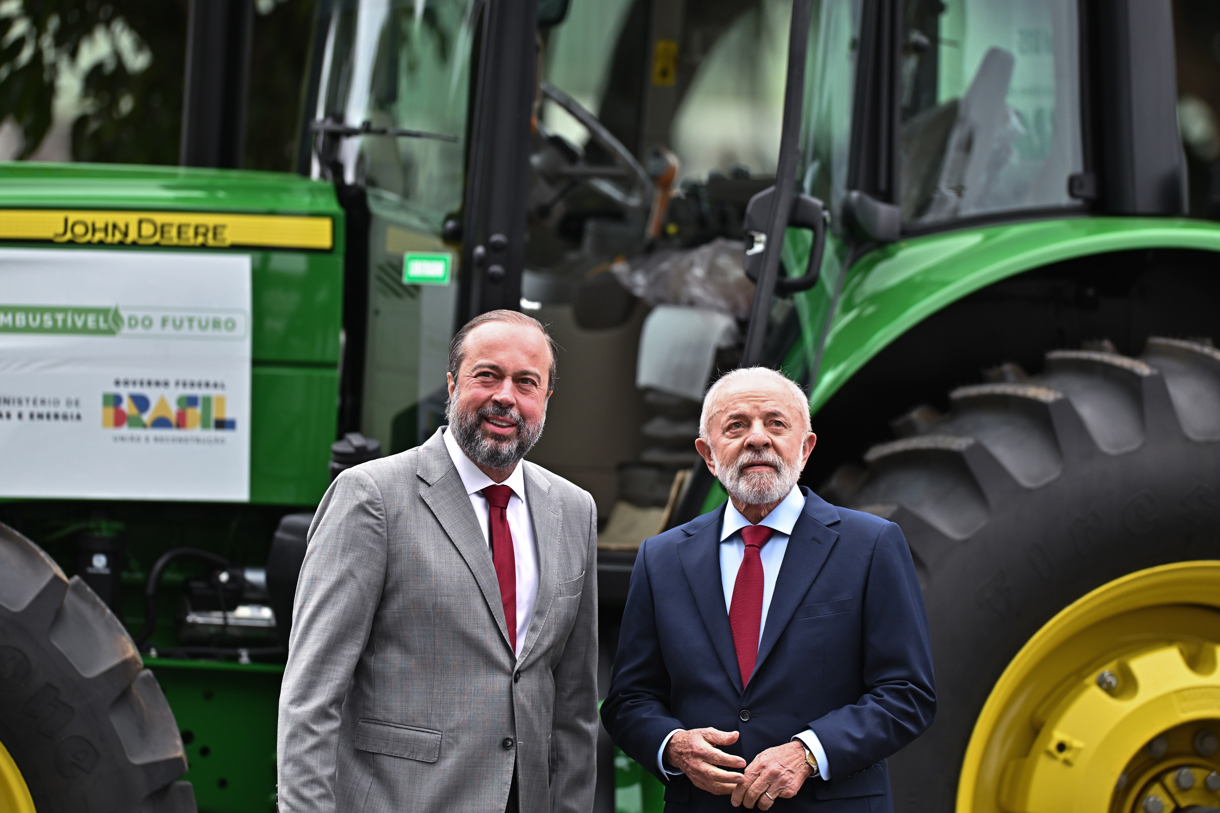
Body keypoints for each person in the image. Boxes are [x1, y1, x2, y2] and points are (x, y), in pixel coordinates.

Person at [277, 310, 599, 813]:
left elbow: (575, 706)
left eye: (526, 382)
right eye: (486, 375)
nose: (505, 397)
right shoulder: (372, 496)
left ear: (546, 399)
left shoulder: (574, 509)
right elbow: (312, 694)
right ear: (452, 384)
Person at [601, 367, 935, 811]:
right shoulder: (660, 558)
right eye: (736, 425)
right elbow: (628, 699)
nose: (757, 438)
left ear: (806, 447)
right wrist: (673, 745)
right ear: (708, 454)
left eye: (776, 423)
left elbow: (907, 692)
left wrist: (808, 753)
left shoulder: (871, 544)